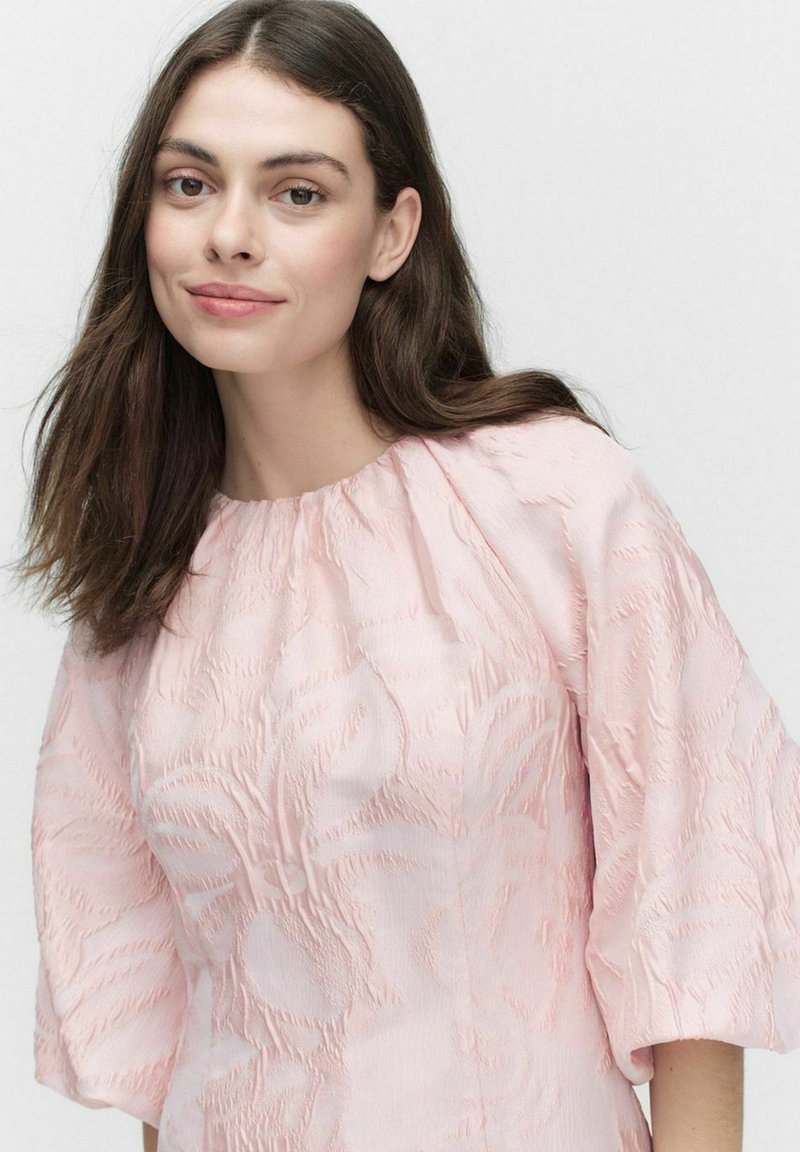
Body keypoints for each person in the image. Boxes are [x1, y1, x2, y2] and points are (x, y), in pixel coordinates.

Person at [14, 1, 800, 1150]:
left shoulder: (550, 501)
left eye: (296, 192)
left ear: (391, 232)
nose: (229, 234)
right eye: (188, 184)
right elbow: (161, 1041)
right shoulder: (138, 584)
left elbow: (695, 910)